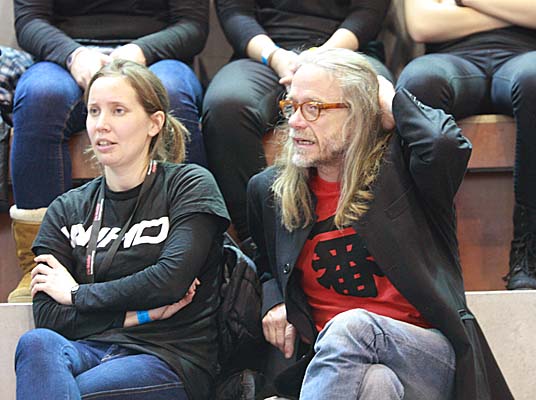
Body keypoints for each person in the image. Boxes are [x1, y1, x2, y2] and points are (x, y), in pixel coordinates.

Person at [247, 48, 512, 400]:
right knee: (376, 383)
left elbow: (445, 143)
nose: (295, 122)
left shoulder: (404, 173)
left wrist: (388, 98)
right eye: (291, 107)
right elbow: (265, 261)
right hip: (338, 365)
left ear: (358, 114)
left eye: (313, 108)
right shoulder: (270, 191)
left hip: (425, 357)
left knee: (352, 326)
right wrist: (275, 299)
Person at [14, 60, 230, 399]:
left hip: (167, 355)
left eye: (118, 111)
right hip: (88, 349)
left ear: (154, 123)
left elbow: (170, 281)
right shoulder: (66, 208)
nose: (101, 125)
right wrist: (138, 314)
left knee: (71, 391)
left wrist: (77, 295)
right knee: (36, 342)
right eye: (94, 111)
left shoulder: (189, 185)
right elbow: (49, 315)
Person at [8, 0, 209, 302]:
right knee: (41, 96)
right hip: (66, 56)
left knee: (171, 93)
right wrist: (74, 55)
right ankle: (42, 262)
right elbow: (29, 20)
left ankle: (186, 254)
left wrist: (141, 51)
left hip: (156, 54)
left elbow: (193, 25)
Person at [397, 0, 536, 290]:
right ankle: (433, 256)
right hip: (451, 59)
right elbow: (422, 25)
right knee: (419, 82)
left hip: (533, 55)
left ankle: (529, 255)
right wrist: (526, 12)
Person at [202, 0, 393, 243]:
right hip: (264, 55)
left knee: (375, 100)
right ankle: (256, 240)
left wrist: (319, 60)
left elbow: (368, 12)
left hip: (346, 52)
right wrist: (275, 57)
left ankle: (367, 230)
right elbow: (235, 12)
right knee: (226, 105)